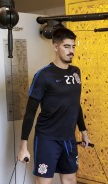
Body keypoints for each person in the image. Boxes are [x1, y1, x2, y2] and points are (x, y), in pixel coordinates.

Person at [17, 27, 91, 184]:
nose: (71, 51)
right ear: (56, 47)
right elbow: (30, 112)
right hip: (47, 139)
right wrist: (23, 146)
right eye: (66, 46)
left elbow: (75, 104)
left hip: (69, 138)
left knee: (70, 180)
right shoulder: (43, 75)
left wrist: (83, 131)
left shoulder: (76, 72)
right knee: (44, 182)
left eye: (73, 46)